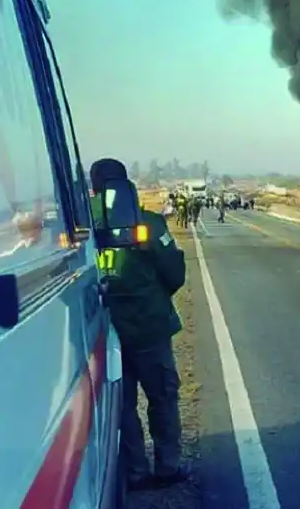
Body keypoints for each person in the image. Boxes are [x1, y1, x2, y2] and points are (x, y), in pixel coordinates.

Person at [88, 158, 191, 491]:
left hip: (104, 333)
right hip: (149, 327)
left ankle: (134, 470)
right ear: (125, 184)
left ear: (93, 187)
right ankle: (167, 466)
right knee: (162, 397)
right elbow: (174, 274)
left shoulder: (81, 227)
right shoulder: (147, 224)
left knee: (122, 405)